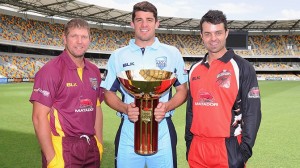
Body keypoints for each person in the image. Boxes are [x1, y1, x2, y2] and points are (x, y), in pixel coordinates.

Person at [100, 1, 188, 168]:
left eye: (149, 19)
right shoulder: (118, 55)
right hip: (128, 126)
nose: (144, 24)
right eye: (139, 20)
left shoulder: (172, 53)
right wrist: (125, 108)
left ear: (157, 23)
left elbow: (183, 90)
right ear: (132, 23)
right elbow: (108, 93)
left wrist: (167, 106)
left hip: (163, 128)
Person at [185, 10, 261, 168]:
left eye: (218, 33)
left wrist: (243, 154)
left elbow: (253, 113)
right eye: (208, 34)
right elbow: (190, 111)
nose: (213, 39)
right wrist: (189, 144)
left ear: (226, 33)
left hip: (228, 149)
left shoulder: (243, 68)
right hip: (197, 148)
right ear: (201, 35)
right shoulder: (194, 69)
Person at [30, 18, 103, 168]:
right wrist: (51, 158)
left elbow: (97, 109)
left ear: (90, 40)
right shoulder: (50, 71)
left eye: (84, 37)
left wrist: (99, 143)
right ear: (64, 38)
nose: (79, 41)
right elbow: (38, 117)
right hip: (63, 148)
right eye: (74, 36)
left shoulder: (94, 71)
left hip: (91, 147)